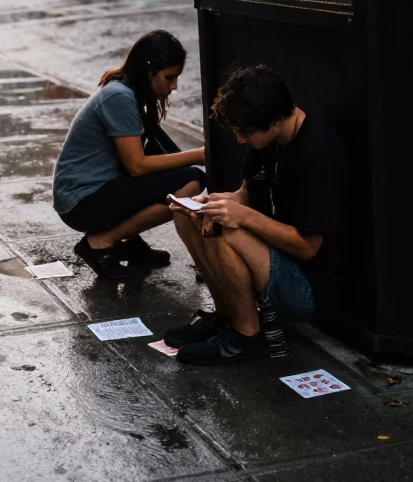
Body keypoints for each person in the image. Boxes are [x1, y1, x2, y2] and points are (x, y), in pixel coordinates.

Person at [165, 64, 347, 366]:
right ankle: (225, 316)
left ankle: (247, 334)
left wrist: (242, 217)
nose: (240, 140)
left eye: (245, 132)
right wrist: (214, 203)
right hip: (276, 259)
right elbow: (246, 192)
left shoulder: (317, 151)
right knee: (190, 216)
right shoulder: (267, 138)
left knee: (227, 229)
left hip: (310, 287)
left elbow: (308, 247)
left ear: (274, 120)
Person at [53, 30, 207, 280]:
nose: (174, 86)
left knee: (177, 177)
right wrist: (198, 155)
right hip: (81, 201)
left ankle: (129, 242)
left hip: (92, 192)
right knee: (191, 181)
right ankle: (101, 242)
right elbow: (137, 166)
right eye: (169, 78)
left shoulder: (127, 91)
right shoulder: (119, 96)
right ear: (149, 72)